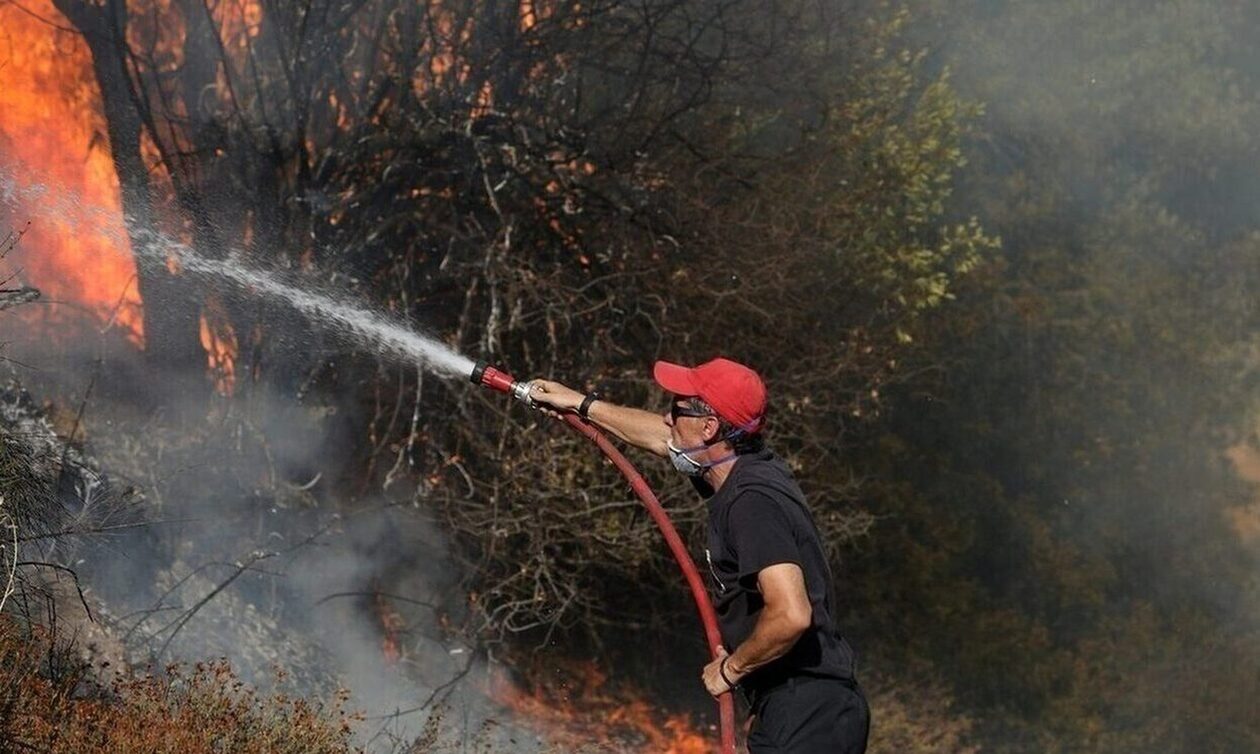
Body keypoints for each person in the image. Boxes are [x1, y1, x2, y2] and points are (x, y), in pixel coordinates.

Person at [530, 357, 869, 753]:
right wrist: (579, 403)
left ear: (709, 428)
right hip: (805, 708)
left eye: (676, 410)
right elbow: (661, 437)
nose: (666, 418)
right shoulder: (740, 468)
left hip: (807, 712)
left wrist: (732, 669)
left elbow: (792, 614)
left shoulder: (752, 502)